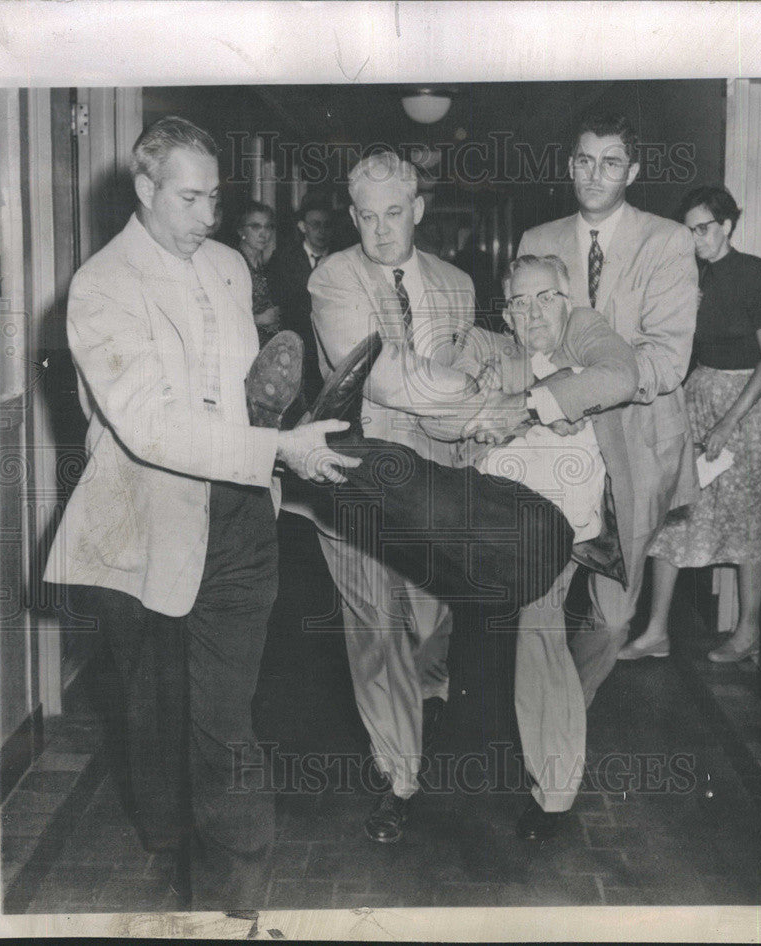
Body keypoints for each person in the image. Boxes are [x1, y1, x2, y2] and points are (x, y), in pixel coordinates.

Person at [42, 116, 359, 910]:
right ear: (144, 190)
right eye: (189, 199)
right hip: (146, 527)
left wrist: (287, 421)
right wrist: (273, 451)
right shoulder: (102, 286)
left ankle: (238, 902)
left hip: (242, 521)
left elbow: (240, 393)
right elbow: (150, 427)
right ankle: (170, 839)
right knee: (154, 721)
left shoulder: (224, 267)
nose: (208, 219)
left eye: (214, 198)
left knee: (224, 722)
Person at [308, 151, 500, 844]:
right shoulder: (333, 278)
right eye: (366, 215)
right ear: (351, 214)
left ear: (418, 209)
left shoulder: (455, 283)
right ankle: (399, 777)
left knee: (433, 617)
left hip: (440, 486)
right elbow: (387, 378)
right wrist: (485, 401)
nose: (382, 230)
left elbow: (468, 361)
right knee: (376, 634)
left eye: (395, 212)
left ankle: (427, 695)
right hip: (357, 489)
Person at [446, 254, 640, 839]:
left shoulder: (587, 345)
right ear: (507, 312)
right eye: (519, 302)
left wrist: (537, 403)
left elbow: (620, 376)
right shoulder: (499, 357)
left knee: (612, 628)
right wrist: (488, 414)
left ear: (567, 300)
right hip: (540, 530)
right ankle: (553, 786)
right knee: (540, 639)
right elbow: (457, 417)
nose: (533, 311)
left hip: (605, 523)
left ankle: (558, 717)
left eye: (545, 298)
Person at [517, 108, 699, 707]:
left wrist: (577, 388)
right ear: (571, 166)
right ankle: (548, 735)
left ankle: (568, 706)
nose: (595, 175)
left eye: (611, 162)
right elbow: (526, 343)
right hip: (553, 448)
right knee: (538, 601)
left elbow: (667, 359)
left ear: (632, 171)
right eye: (584, 161)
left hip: (636, 445)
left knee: (615, 618)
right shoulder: (537, 241)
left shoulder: (668, 241)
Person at [625, 186, 761, 663]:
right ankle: (655, 633)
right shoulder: (692, 274)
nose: (695, 239)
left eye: (703, 228)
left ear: (727, 225)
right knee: (674, 515)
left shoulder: (754, 273)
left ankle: (748, 629)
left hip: (744, 408)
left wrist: (730, 422)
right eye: (688, 230)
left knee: (746, 520)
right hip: (697, 397)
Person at [273, 193, 334, 399]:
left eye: (326, 225)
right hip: (297, 351)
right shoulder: (283, 260)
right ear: (302, 226)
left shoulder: (341, 261)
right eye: (315, 224)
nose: (321, 231)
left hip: (331, 351)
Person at [235, 199, 281, 348]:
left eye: (268, 227)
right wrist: (260, 319)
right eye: (256, 227)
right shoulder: (234, 263)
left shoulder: (266, 265)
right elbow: (225, 316)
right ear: (241, 230)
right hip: (242, 346)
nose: (263, 233)